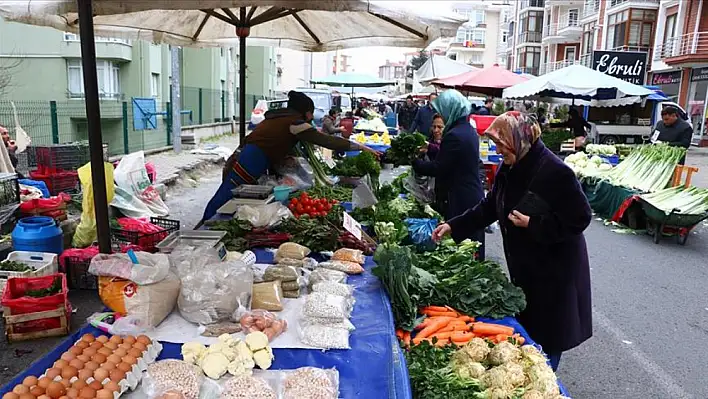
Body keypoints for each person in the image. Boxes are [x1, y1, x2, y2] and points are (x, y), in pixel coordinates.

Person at [432, 111, 592, 371]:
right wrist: (454, 225)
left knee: (548, 335)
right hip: (529, 267)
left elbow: (580, 217)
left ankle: (545, 382)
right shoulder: (512, 166)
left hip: (555, 270)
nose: (498, 150)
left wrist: (534, 224)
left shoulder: (555, 172)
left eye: (501, 144)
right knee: (530, 332)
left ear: (520, 139)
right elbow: (489, 207)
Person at [203, 91, 381, 224]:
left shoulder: (280, 119)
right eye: (311, 113)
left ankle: (209, 225)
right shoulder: (293, 123)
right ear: (305, 112)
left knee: (233, 199)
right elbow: (326, 141)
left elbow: (277, 143)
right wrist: (362, 147)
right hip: (247, 162)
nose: (312, 117)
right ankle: (203, 228)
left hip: (250, 160)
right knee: (226, 196)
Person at [412, 90, 486, 260]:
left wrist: (415, 162)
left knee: (463, 249)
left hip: (461, 198)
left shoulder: (454, 135)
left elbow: (440, 168)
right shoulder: (467, 129)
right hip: (471, 194)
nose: (442, 116)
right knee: (472, 245)